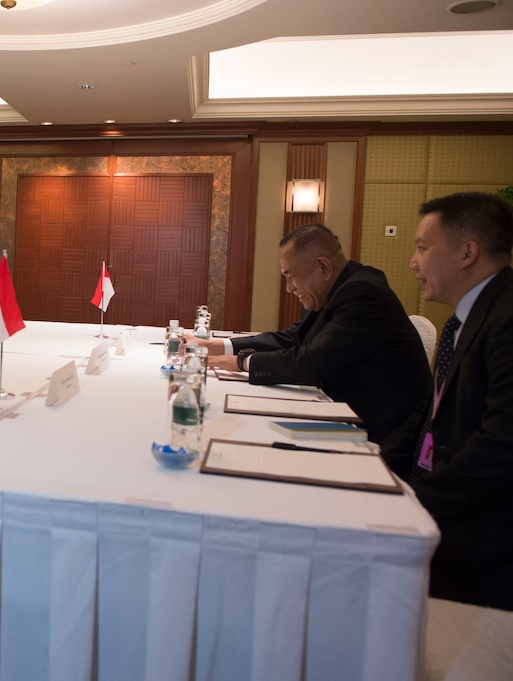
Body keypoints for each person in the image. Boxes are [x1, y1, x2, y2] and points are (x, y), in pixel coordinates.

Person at [381, 192, 513, 611]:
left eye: (422, 247)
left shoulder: (507, 320)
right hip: (444, 500)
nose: (413, 262)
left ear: (467, 252)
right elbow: (432, 413)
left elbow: (501, 444)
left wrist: (415, 502)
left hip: (482, 536)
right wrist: (378, 466)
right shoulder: (466, 318)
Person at [198, 223, 430, 448]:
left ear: (324, 268)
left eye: (291, 276)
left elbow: (310, 362)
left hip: (378, 436)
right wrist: (222, 346)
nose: (289, 288)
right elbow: (293, 339)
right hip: (343, 413)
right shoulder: (335, 290)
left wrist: (241, 363)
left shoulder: (363, 294)